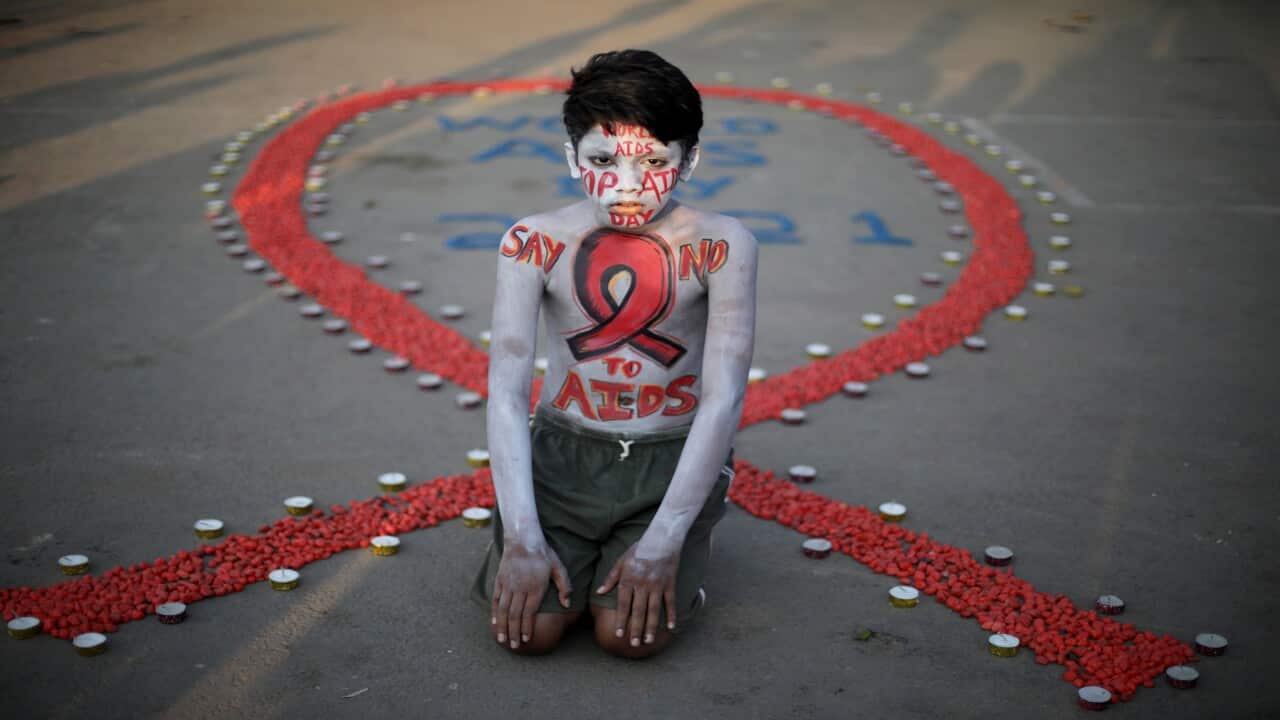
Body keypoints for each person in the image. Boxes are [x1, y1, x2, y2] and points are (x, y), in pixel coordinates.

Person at [472, 49, 758, 659]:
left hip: (667, 458)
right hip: (561, 456)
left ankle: (680, 566)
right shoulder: (532, 241)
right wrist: (522, 537)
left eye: (654, 161)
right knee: (532, 634)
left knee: (629, 639)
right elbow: (505, 388)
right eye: (603, 160)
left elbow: (723, 396)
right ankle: (543, 548)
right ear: (572, 157)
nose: (627, 186)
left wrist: (665, 539)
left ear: (690, 160)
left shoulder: (724, 243)